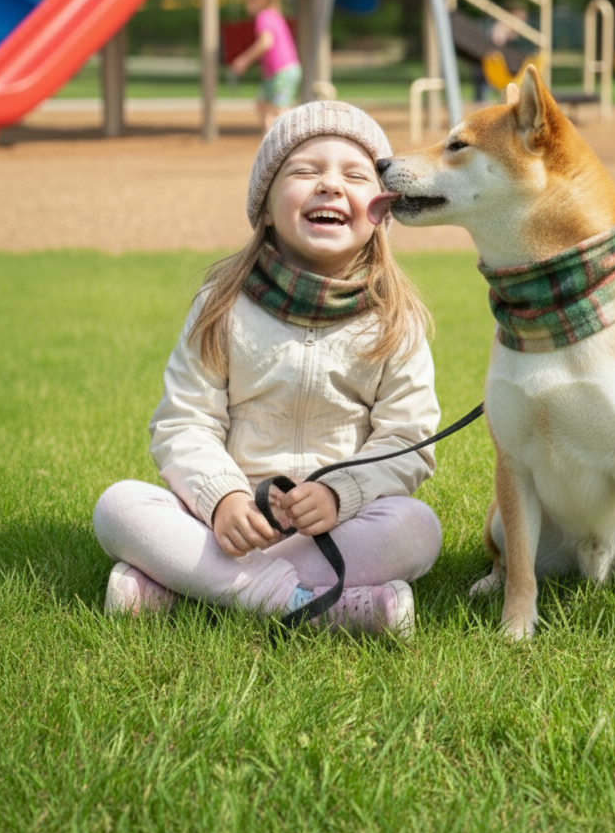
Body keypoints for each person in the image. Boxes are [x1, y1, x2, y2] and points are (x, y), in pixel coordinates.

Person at [92, 102, 442, 637]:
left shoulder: (396, 320)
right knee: (119, 506)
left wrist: (339, 492)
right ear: (267, 206)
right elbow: (184, 422)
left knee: (417, 528)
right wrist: (222, 498)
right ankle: (313, 605)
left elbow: (408, 439)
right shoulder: (221, 305)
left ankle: (192, 587)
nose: (330, 185)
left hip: (335, 529)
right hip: (228, 524)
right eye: (305, 171)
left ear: (379, 211)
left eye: (355, 176)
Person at [229, 0, 302, 131]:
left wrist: (244, 60)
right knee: (263, 105)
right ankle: (271, 136)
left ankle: (288, 135)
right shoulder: (275, 15)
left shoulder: (264, 16)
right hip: (283, 71)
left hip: (281, 71)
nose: (246, 5)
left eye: (248, 0)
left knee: (279, 110)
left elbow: (265, 42)